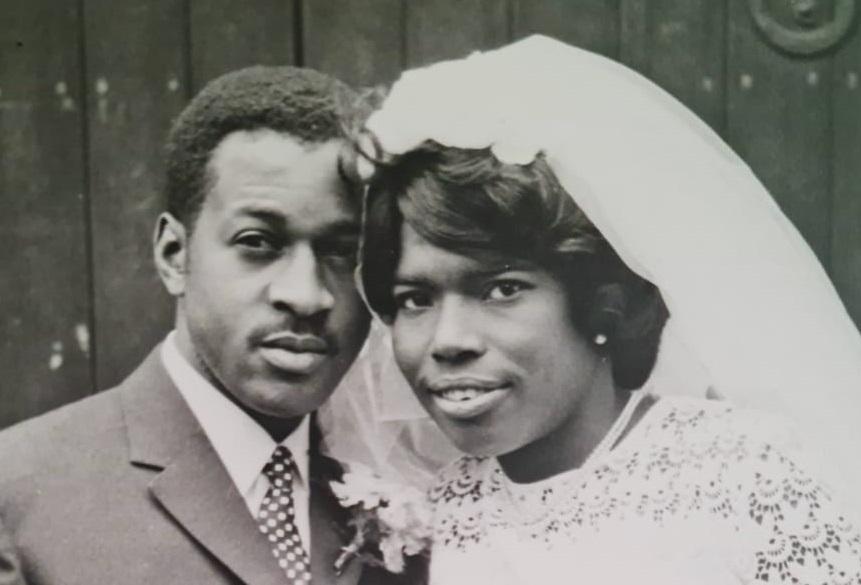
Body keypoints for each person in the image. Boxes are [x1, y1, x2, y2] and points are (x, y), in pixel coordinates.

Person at [345, 36, 861, 584]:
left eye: (501, 290)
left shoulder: (739, 472)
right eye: (415, 300)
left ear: (600, 304)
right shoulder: (431, 512)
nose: (448, 340)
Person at [0, 66, 405, 585]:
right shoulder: (19, 500)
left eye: (343, 252)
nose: (306, 295)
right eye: (258, 242)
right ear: (174, 254)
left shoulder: (399, 490)